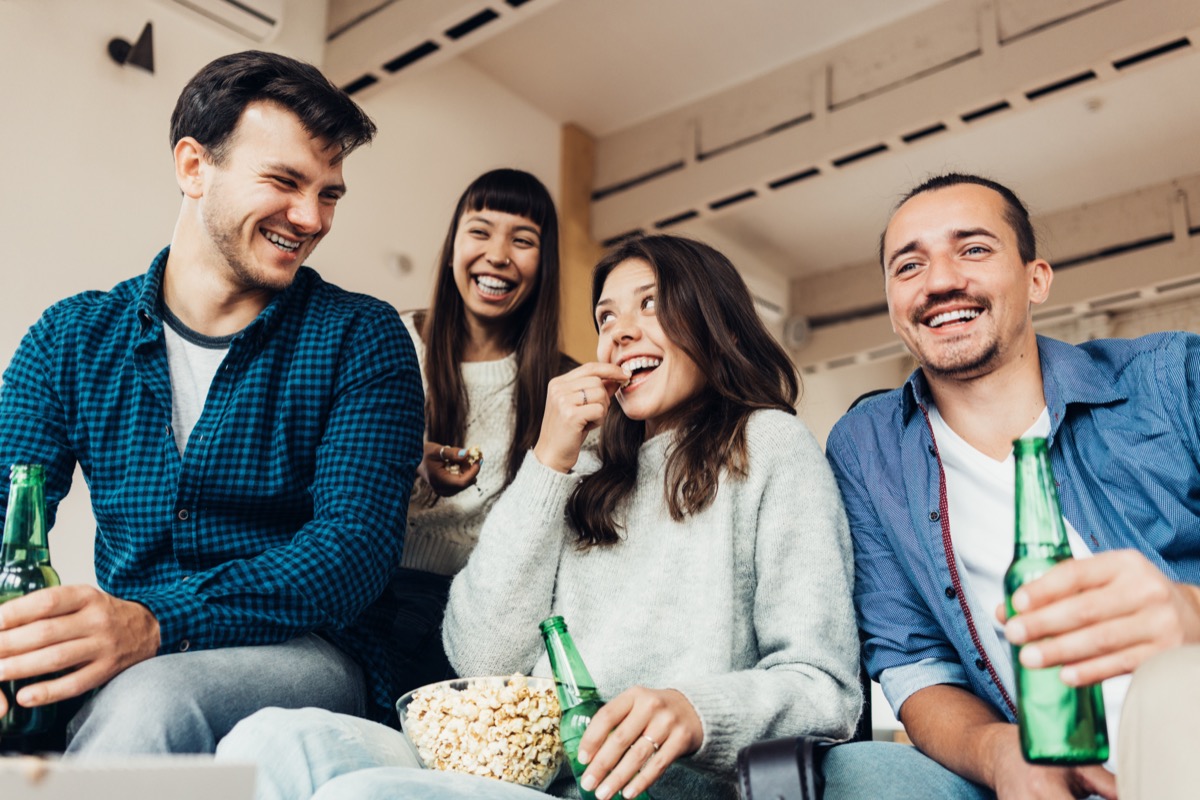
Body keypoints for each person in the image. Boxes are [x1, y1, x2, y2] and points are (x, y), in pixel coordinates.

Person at [216, 234, 861, 800]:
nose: (620, 331)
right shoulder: (586, 466)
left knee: (365, 795)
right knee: (266, 741)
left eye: (651, 304)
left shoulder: (770, 446)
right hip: (515, 770)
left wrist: (696, 712)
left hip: (643, 788)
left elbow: (823, 686)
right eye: (606, 316)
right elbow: (480, 655)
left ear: (720, 323)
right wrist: (548, 460)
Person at [0, 50, 424, 755]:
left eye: (329, 194)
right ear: (194, 167)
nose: (311, 218)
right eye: (285, 181)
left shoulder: (363, 337)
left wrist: (154, 621)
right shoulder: (70, 338)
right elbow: (6, 506)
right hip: (132, 649)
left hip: (305, 648)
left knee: (150, 704)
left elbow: (352, 551)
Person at [819, 173, 1200, 800]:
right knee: (856, 773)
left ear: (1036, 279)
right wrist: (1000, 755)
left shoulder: (1170, 380)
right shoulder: (867, 448)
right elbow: (914, 662)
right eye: (909, 265)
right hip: (1044, 774)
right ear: (892, 304)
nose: (940, 281)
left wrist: (1191, 614)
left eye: (973, 249)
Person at [390, 167, 574, 692]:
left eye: (523, 240)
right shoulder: (392, 340)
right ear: (453, 246)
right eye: (480, 231)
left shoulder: (563, 388)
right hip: (375, 585)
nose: (497, 254)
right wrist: (414, 458)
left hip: (482, 613)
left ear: (544, 265)